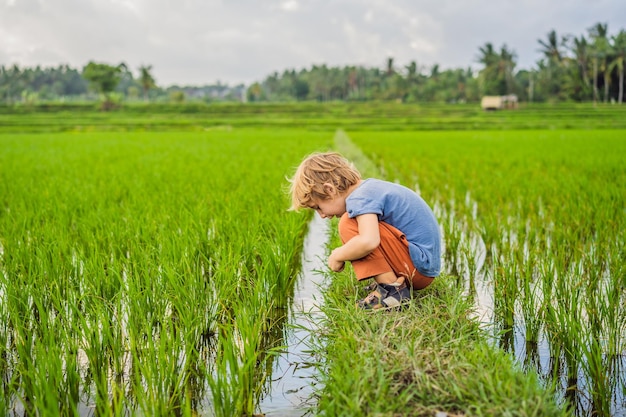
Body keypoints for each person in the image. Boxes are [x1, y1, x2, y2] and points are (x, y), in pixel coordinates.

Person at [288, 151, 441, 310]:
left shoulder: (359, 198)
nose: (321, 215)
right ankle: (388, 284)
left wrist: (337, 255)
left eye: (318, 207)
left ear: (329, 190)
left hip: (418, 269)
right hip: (422, 266)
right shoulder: (368, 189)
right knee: (354, 223)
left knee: (348, 223)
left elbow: (369, 241)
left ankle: (392, 291)